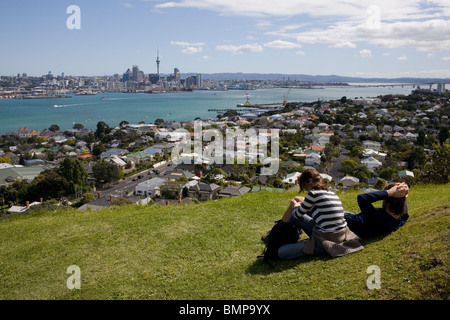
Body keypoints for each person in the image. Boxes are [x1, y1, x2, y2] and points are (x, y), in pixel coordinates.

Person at [272, 168, 363, 260]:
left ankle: (279, 238)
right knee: (297, 215)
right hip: (342, 234)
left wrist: (296, 206)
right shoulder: (332, 193)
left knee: (281, 252)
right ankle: (280, 236)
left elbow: (297, 216)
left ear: (306, 183)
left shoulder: (312, 194)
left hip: (327, 240)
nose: (305, 189)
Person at [344, 182, 409, 239]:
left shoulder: (378, 218)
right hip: (353, 217)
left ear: (385, 200)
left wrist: (390, 192)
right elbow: (402, 198)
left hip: (344, 221)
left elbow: (362, 198)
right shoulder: (402, 218)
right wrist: (402, 191)